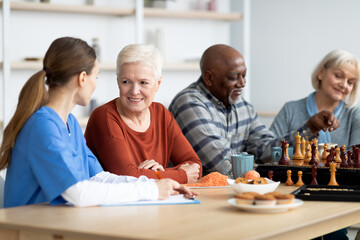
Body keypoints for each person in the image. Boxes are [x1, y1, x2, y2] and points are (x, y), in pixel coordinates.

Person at [0, 37, 196, 208]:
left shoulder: (70, 123)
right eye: (97, 76)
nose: (96, 83)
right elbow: (78, 192)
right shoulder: (43, 127)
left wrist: (155, 184)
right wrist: (151, 190)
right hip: (29, 230)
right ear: (83, 78)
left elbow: (99, 177)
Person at [168, 44, 339, 175]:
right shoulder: (190, 103)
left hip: (232, 194)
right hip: (197, 198)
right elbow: (223, 165)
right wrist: (267, 170)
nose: (242, 83)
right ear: (209, 78)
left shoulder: (243, 106)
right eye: (234, 77)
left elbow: (267, 149)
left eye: (244, 75)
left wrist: (310, 128)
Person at [84, 44, 202, 184]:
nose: (134, 91)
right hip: (112, 204)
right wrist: (177, 175)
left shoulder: (162, 114)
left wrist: (159, 174)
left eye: (143, 83)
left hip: (154, 201)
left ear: (158, 84)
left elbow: (195, 167)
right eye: (126, 82)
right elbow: (127, 177)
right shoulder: (104, 116)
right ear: (118, 81)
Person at [270, 49, 360, 147]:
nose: (344, 85)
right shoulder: (290, 110)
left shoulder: (354, 114)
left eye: (350, 82)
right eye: (338, 76)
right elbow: (269, 150)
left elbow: (356, 158)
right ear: (321, 72)